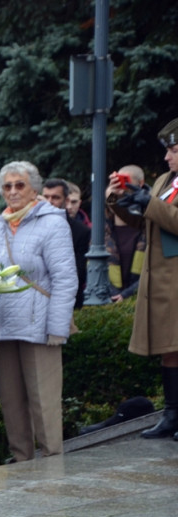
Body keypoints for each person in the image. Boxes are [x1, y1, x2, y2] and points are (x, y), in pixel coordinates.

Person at [0, 161, 77, 461]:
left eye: (19, 185)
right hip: (5, 325)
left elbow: (65, 278)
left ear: (34, 188)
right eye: (7, 186)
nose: (13, 191)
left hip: (39, 326)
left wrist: (57, 328)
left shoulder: (53, 221)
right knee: (11, 402)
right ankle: (22, 464)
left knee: (43, 403)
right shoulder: (0, 226)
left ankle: (51, 466)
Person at [106, 118, 178, 439]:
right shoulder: (166, 180)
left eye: (174, 151)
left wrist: (148, 202)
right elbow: (143, 225)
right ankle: (173, 415)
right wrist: (120, 200)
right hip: (163, 281)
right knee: (170, 349)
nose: (167, 158)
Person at [43, 178, 90, 309]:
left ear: (66, 201)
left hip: (66, 303)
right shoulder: (30, 226)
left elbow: (77, 273)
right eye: (46, 197)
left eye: (55, 198)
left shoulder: (81, 231)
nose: (49, 202)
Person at [105, 165, 146, 303]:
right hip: (111, 300)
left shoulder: (145, 226)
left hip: (139, 298)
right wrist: (111, 193)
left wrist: (127, 294)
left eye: (125, 180)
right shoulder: (104, 230)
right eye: (117, 180)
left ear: (140, 183)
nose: (121, 185)